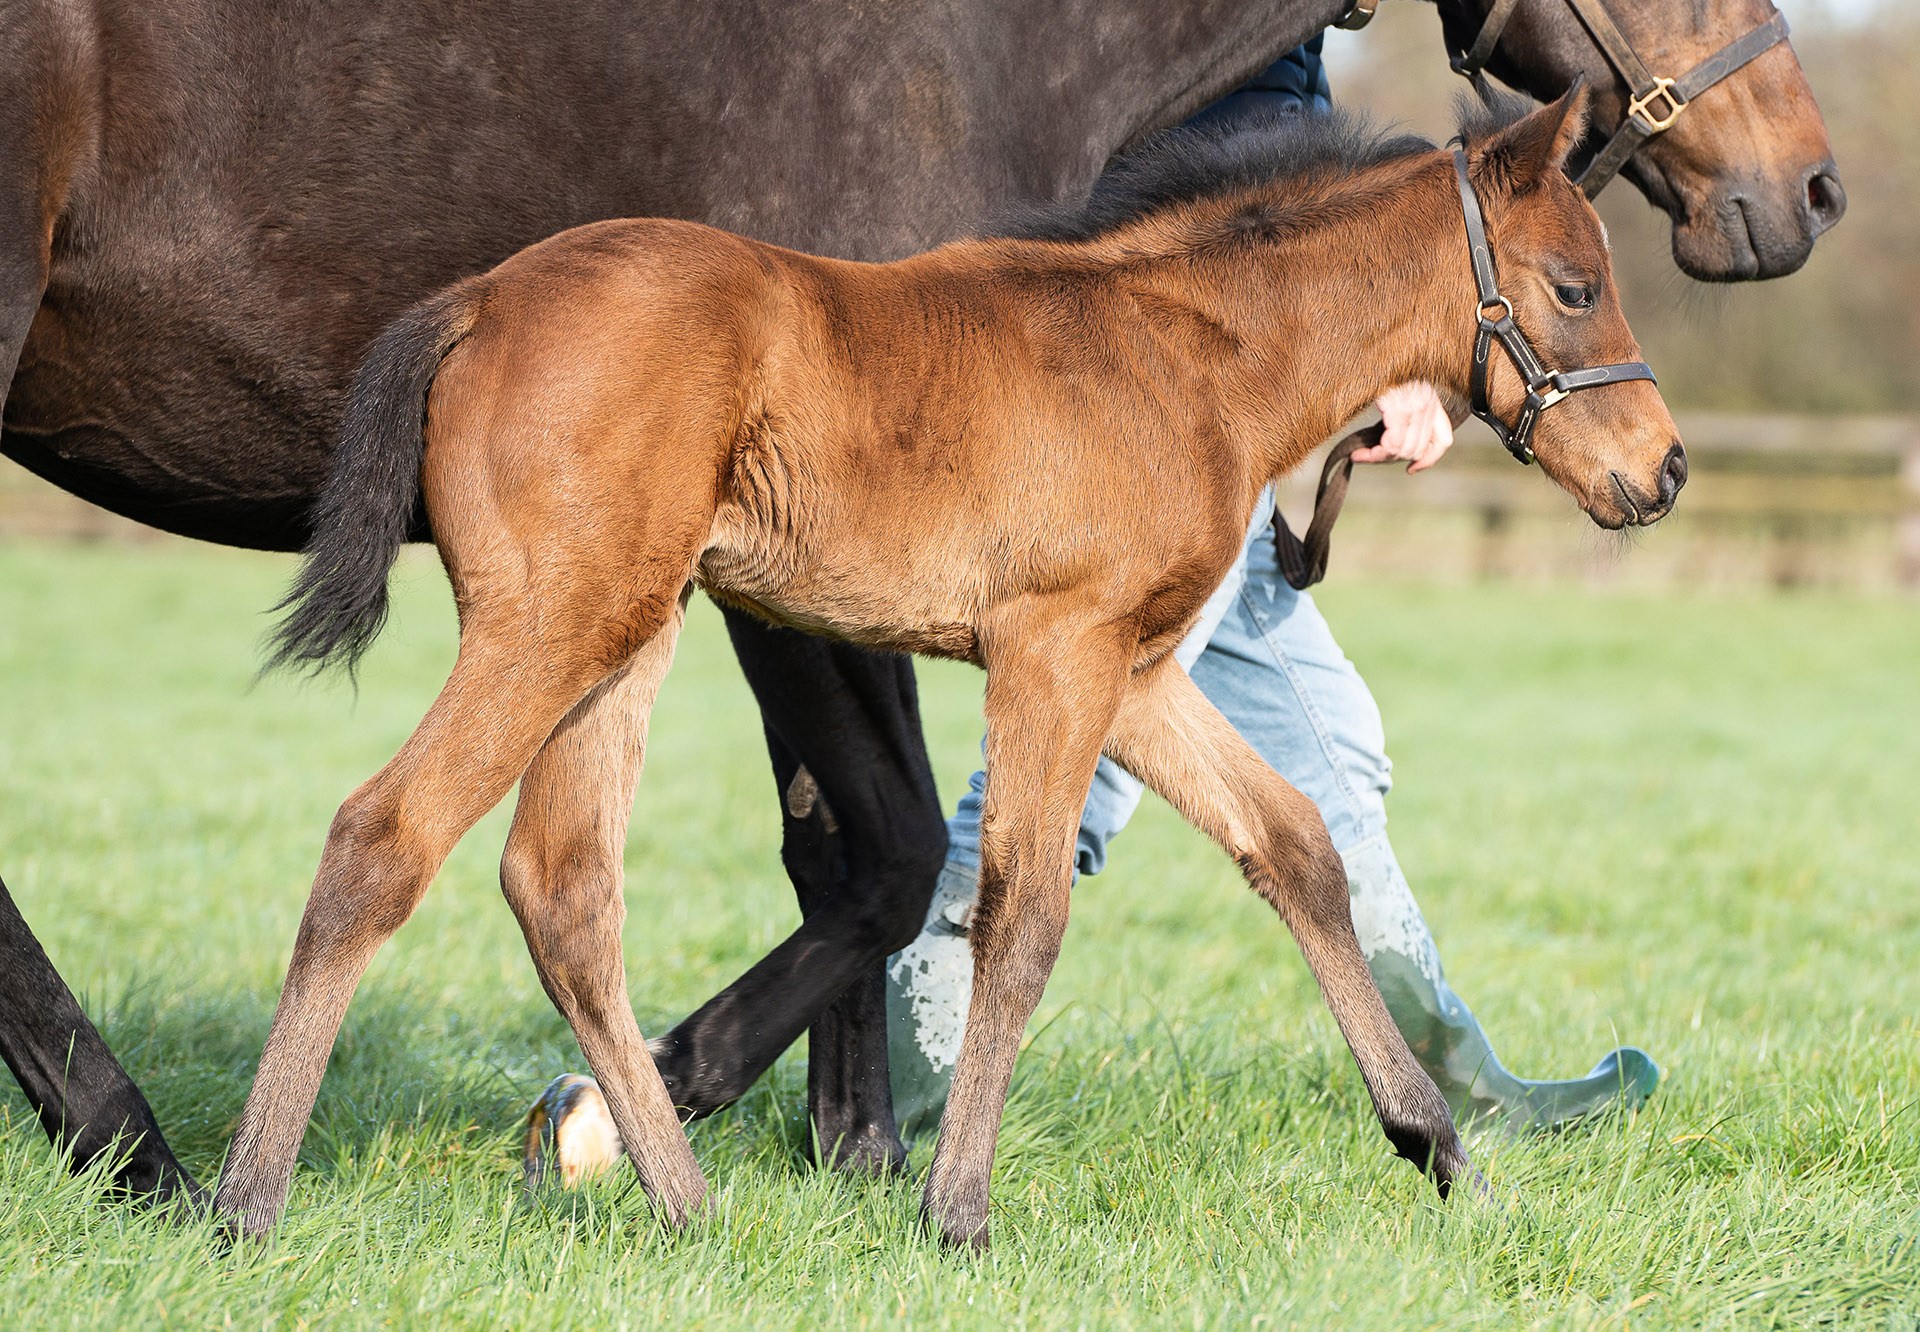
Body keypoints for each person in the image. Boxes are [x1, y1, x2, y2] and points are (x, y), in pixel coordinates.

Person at [883, 37, 1660, 1138]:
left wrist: (1399, 343)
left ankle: (1452, 1076)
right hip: (1157, 403)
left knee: (1331, 747)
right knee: (1070, 773)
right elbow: (1231, 184)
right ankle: (903, 1089)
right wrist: (1385, 338)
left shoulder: (1285, 39)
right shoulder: (1210, 43)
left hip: (1223, 409)